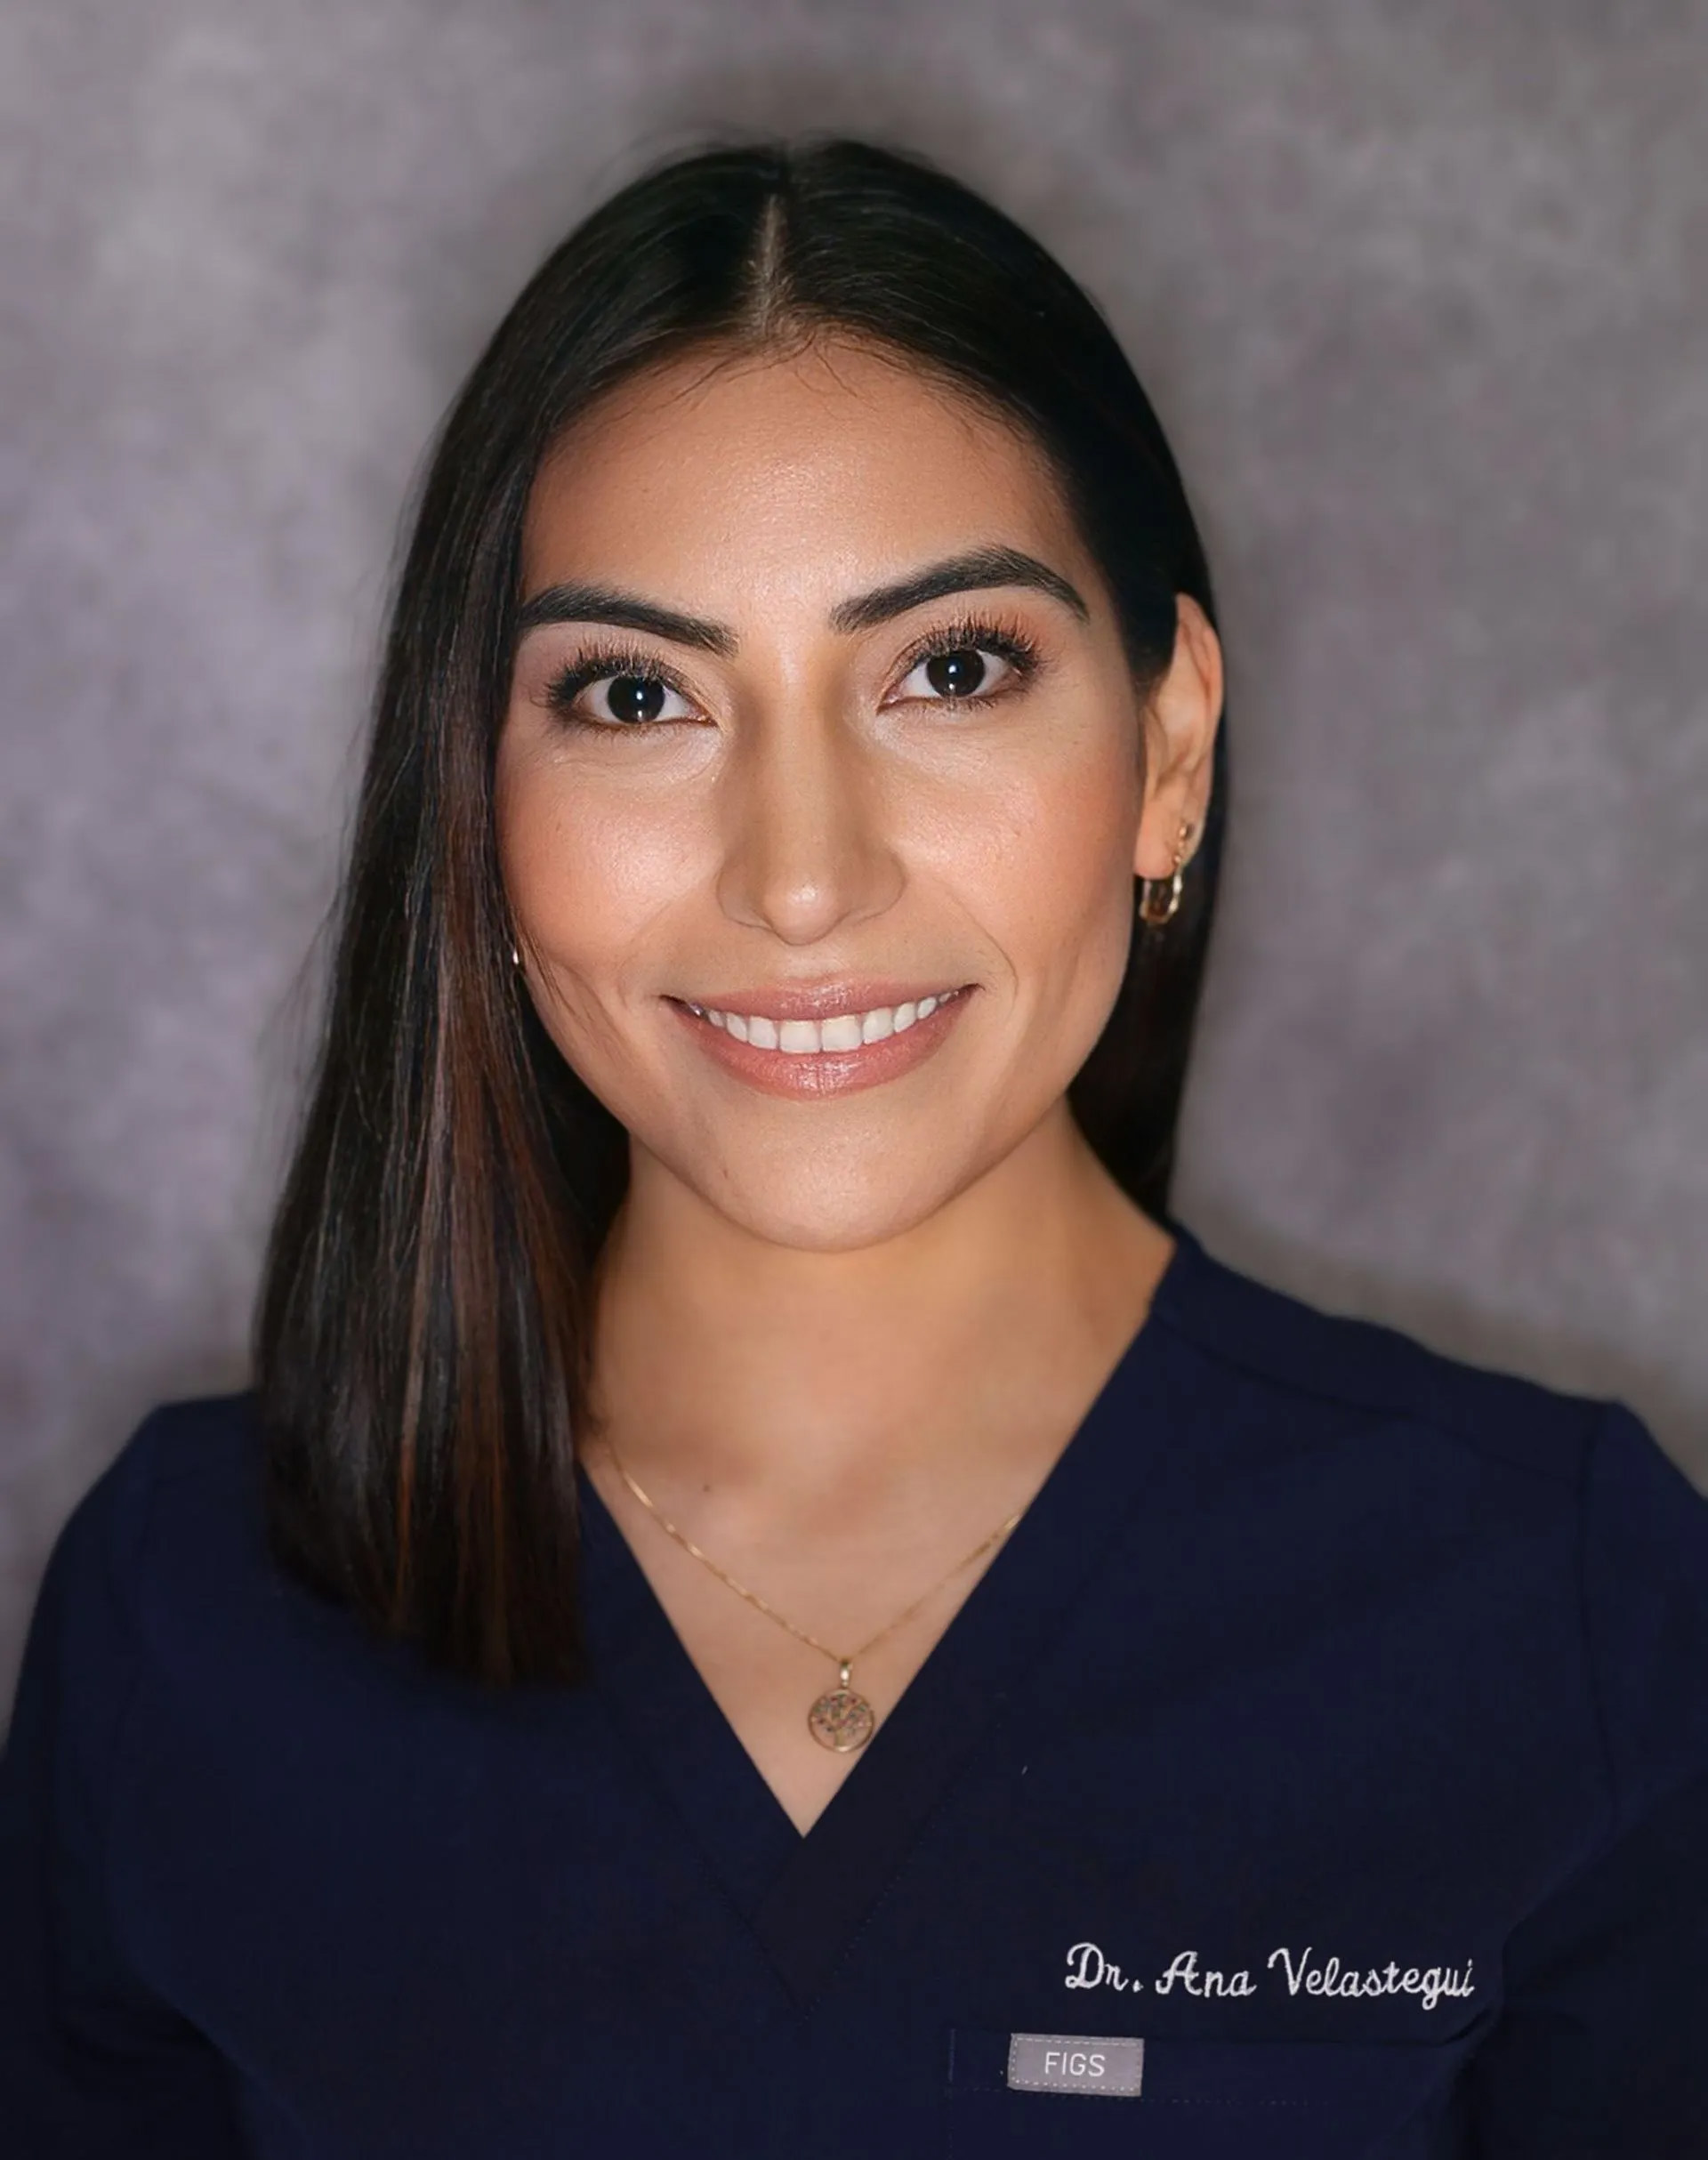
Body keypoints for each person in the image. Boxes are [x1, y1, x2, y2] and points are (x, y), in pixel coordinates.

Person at [2, 132, 1704, 2160]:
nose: (801, 880)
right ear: (474, 799)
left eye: (950, 669)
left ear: (1168, 753)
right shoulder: (184, 1619)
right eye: (639, 693)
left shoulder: (1568, 1605)